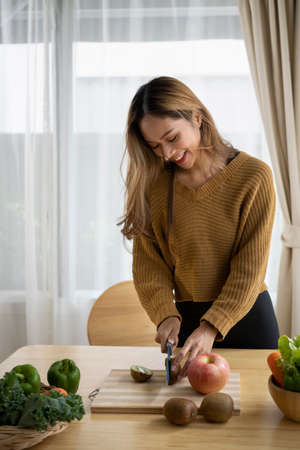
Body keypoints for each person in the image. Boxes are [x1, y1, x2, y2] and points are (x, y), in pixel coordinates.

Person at [118, 76, 279, 381]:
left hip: (248, 320)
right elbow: (149, 264)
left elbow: (250, 269)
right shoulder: (153, 187)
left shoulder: (254, 177)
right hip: (187, 322)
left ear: (197, 117)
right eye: (155, 146)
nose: (166, 153)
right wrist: (164, 314)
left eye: (172, 138)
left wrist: (212, 326)